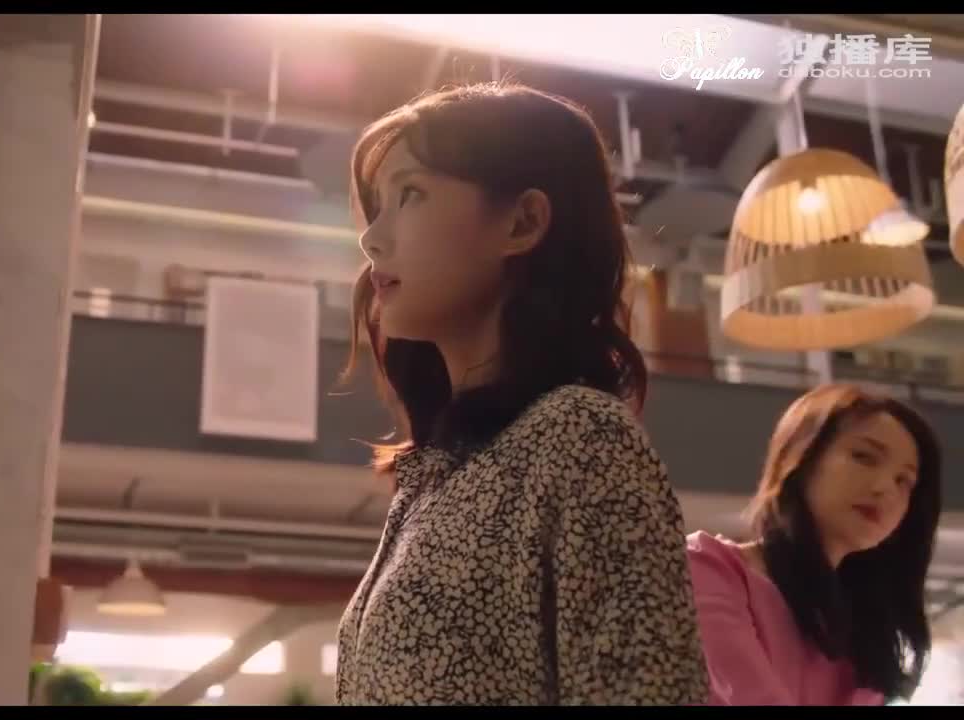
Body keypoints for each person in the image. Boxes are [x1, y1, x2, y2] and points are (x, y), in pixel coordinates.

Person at [333, 81, 708, 705]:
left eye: (410, 194)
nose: (371, 238)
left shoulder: (580, 437)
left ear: (523, 222)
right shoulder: (436, 475)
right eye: (377, 207)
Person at [688, 383, 942, 705]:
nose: (884, 488)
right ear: (799, 457)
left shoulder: (863, 631)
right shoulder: (708, 566)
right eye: (864, 457)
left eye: (903, 480)